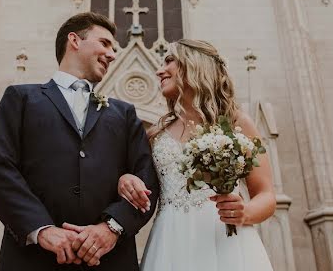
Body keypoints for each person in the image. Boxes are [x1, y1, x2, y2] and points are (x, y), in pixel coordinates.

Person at [0, 12, 159, 270]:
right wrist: (42, 230)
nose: (112, 54)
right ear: (75, 40)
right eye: (105, 43)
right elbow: (0, 170)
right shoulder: (21, 98)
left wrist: (111, 228)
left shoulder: (124, 113)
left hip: (108, 260)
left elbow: (147, 179)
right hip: (32, 259)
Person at [118, 39, 276, 270]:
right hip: (170, 242)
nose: (159, 70)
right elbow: (139, 181)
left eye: (169, 60)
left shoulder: (236, 123)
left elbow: (266, 195)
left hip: (225, 239)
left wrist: (245, 213)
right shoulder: (155, 134)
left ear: (195, 65)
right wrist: (125, 179)